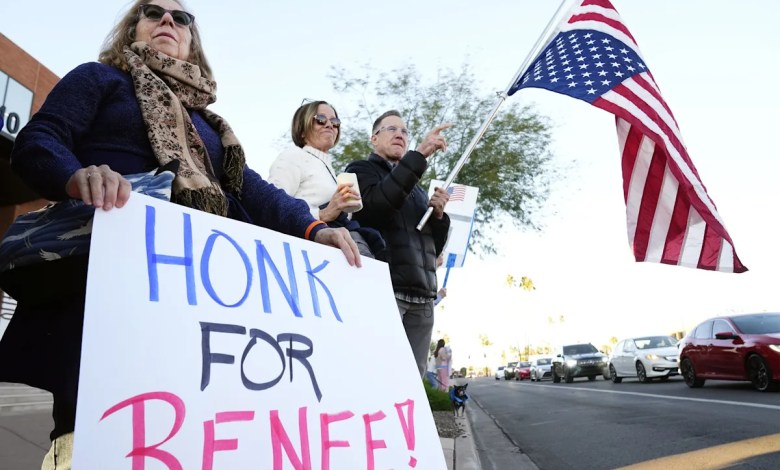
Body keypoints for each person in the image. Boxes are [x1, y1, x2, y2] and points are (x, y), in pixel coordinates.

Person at [0, 1, 360, 467]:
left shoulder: (210, 126)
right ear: (133, 29)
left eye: (181, 17)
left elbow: (255, 191)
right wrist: (77, 175)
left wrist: (316, 229)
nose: (168, 20)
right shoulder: (99, 79)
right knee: (97, 422)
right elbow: (38, 141)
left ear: (193, 42)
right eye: (153, 12)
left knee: (186, 424)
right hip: (109, 282)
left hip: (194, 298)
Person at [346, 110, 451, 378]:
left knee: (411, 381)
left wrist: (439, 217)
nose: (400, 135)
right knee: (380, 375)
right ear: (374, 138)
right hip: (387, 291)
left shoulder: (414, 189)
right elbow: (376, 208)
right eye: (391, 129)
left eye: (404, 132)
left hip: (422, 299)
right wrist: (420, 156)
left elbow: (432, 248)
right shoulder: (361, 170)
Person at [267, 100, 385, 259]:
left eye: (335, 122)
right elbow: (271, 209)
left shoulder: (330, 171)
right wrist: (323, 214)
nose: (329, 125)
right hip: (310, 255)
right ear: (302, 129)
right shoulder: (293, 156)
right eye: (320, 120)